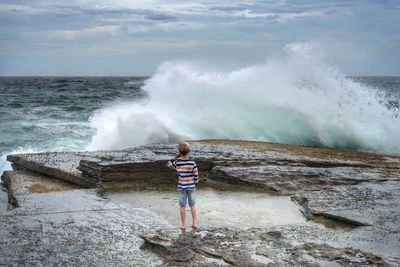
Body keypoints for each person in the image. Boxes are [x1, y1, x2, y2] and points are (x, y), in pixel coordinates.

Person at [166, 141, 199, 230]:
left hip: (181, 187)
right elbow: (196, 175)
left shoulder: (177, 162)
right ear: (189, 151)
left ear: (179, 152)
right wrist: (195, 183)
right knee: (192, 205)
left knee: (182, 206)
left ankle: (183, 224)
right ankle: (194, 223)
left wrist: (175, 157)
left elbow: (168, 165)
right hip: (191, 186)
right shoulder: (192, 163)